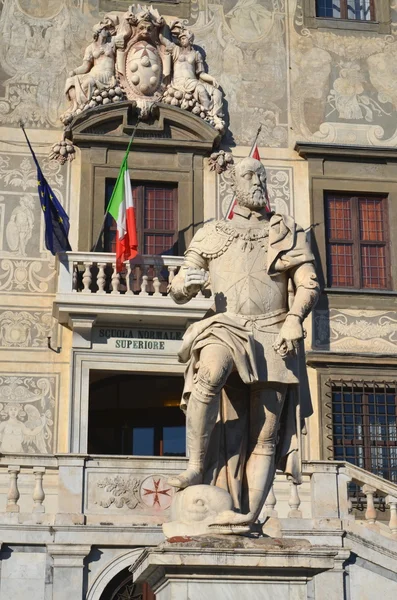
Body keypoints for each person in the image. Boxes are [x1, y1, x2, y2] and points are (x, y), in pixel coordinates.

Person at [168, 157, 320, 526]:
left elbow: (309, 284)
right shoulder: (212, 232)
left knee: (266, 434)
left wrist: (295, 320)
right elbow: (180, 282)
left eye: (261, 177)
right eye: (249, 176)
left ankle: (248, 515)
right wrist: (182, 286)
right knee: (210, 372)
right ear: (234, 186)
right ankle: (195, 465)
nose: (257, 182)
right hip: (227, 325)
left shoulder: (288, 232)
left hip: (274, 330)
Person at [63, 15, 118, 116]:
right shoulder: (90, 48)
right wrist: (74, 72)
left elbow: (124, 33)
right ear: (98, 32)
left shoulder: (112, 43)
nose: (107, 31)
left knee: (89, 82)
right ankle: (76, 107)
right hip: (93, 73)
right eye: (104, 29)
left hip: (106, 76)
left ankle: (84, 106)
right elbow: (85, 67)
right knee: (70, 81)